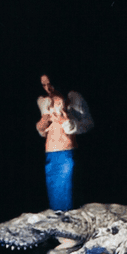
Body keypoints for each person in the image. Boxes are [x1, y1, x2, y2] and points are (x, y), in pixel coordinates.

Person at [35, 74, 93, 211]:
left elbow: (89, 123)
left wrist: (67, 123)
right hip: (50, 153)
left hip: (67, 151)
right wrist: (42, 124)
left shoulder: (73, 97)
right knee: (54, 199)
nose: (48, 88)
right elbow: (43, 131)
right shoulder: (43, 101)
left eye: (50, 83)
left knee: (68, 197)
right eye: (43, 85)